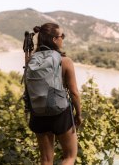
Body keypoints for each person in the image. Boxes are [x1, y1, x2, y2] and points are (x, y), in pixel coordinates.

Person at [28, 22, 82, 165]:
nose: (62, 39)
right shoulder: (65, 61)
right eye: (61, 36)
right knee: (69, 156)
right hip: (60, 113)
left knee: (46, 159)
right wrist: (79, 114)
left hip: (38, 112)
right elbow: (74, 93)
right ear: (54, 39)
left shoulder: (31, 61)